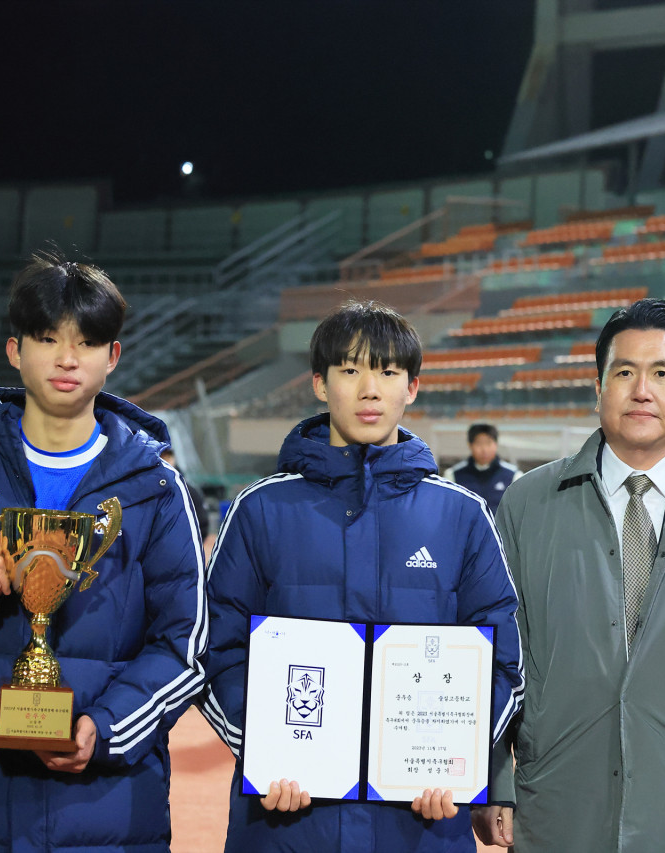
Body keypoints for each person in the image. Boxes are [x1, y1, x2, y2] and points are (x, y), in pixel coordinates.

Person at [199, 300, 524, 852]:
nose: (370, 390)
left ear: (412, 387)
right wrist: (262, 748)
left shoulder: (462, 515)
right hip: (287, 824)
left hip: (421, 824)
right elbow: (214, 646)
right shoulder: (260, 510)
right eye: (350, 370)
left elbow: (503, 661)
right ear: (319, 384)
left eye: (388, 372)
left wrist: (459, 760)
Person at [474, 298, 665, 853]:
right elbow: (495, 653)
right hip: (556, 803)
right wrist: (491, 779)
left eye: (662, 373)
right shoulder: (527, 503)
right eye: (624, 373)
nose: (642, 390)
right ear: (598, 388)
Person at [0, 252, 208, 851]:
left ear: (113, 356)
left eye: (86, 342)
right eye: (48, 338)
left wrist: (108, 728)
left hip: (106, 815)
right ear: (14, 351)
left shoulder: (157, 490)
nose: (66, 358)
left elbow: (185, 645)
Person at [442, 423, 522, 514]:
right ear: (470, 445)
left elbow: (519, 512)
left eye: (488, 443)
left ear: (496, 444)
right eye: (479, 443)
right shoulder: (453, 475)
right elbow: (447, 510)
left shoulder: (514, 476)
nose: (484, 449)